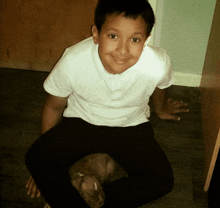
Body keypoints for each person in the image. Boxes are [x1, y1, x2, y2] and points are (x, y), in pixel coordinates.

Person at [25, 0, 189, 207]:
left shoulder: (158, 61)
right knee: (36, 158)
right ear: (96, 33)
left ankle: (80, 200)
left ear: (146, 40)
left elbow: (160, 84)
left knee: (162, 181)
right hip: (81, 122)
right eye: (113, 36)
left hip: (131, 125)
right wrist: (48, 158)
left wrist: (161, 108)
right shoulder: (74, 59)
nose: (122, 50)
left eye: (135, 39)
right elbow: (53, 106)